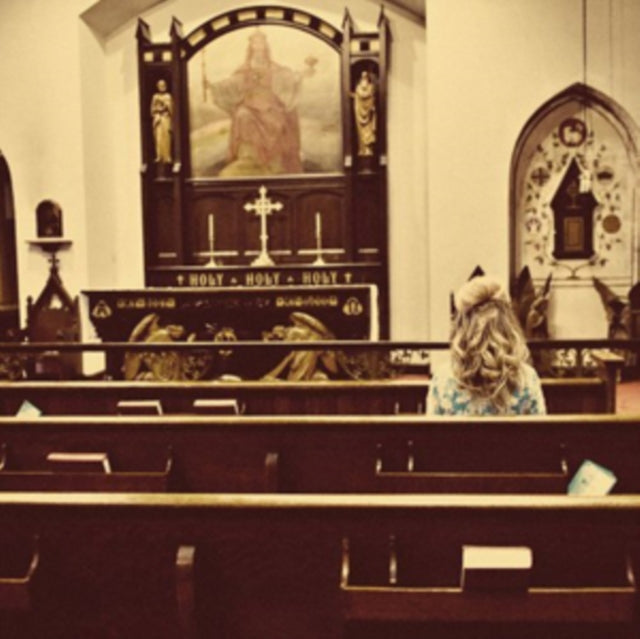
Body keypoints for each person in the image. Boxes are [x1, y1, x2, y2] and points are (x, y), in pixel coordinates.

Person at [426, 276, 547, 415]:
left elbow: (431, 428)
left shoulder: (443, 379)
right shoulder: (527, 378)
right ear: (507, 325)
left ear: (462, 327)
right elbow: (540, 428)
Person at [207, 29, 316, 177]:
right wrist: (213, 86)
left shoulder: (273, 67)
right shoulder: (245, 69)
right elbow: (232, 83)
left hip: (270, 104)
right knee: (242, 115)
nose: (258, 47)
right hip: (249, 103)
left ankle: (273, 162)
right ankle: (249, 158)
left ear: (265, 46)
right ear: (251, 47)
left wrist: (302, 73)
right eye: (255, 43)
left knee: (277, 119)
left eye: (261, 43)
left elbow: (288, 77)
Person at [352, 70, 376, 156]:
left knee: (369, 130)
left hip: (369, 113)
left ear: (368, 78)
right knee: (361, 132)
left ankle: (369, 149)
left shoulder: (371, 87)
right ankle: (362, 148)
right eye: (362, 77)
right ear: (360, 79)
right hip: (360, 111)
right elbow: (360, 96)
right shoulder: (358, 88)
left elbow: (370, 97)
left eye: (366, 77)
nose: (364, 79)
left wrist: (370, 105)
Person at [150, 79, 173, 163]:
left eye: (163, 85)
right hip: (158, 119)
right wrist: (158, 110)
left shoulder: (168, 96)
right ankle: (159, 156)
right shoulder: (155, 96)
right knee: (158, 138)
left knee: (166, 137)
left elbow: (171, 109)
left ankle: (167, 156)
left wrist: (166, 105)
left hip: (166, 118)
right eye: (160, 85)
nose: (162, 87)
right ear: (157, 87)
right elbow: (152, 109)